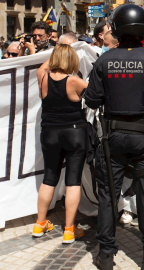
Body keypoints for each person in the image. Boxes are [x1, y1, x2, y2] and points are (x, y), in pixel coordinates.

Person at [83, 5, 144, 270]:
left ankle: (105, 256)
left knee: (108, 197)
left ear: (116, 31)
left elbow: (91, 101)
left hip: (112, 141)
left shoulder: (104, 60)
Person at [32, 44, 88, 244]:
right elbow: (96, 96)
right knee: (73, 180)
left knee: (49, 177)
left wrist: (57, 53)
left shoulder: (43, 77)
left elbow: (42, 68)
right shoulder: (75, 81)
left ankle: (40, 223)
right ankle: (69, 230)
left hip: (49, 133)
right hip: (74, 132)